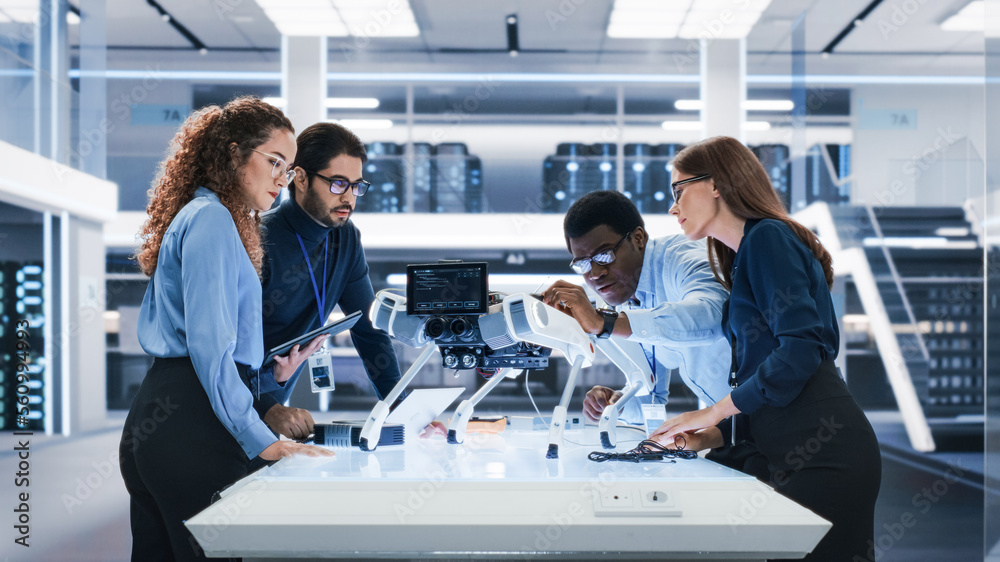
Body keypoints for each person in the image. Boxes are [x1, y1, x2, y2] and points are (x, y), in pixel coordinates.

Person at [119, 97, 334, 562]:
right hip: (192, 424)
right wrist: (262, 439)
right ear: (234, 154)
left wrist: (270, 379)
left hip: (160, 417)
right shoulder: (213, 219)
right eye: (274, 161)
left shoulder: (201, 215)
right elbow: (211, 349)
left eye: (290, 167)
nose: (284, 177)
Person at [651, 136, 881, 561]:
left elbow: (801, 351)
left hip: (824, 452)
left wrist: (715, 409)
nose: (673, 206)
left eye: (678, 189)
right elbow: (772, 385)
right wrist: (709, 436)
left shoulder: (767, 238)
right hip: (795, 447)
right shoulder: (746, 255)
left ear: (716, 183)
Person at [256, 122, 403, 439]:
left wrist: (403, 410)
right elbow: (220, 350)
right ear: (301, 178)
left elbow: (369, 331)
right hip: (232, 404)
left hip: (271, 411)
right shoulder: (257, 239)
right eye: (338, 184)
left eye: (356, 186)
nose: (349, 198)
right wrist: (266, 405)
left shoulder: (346, 238)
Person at [540, 190, 732, 425]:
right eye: (583, 263)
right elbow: (653, 400)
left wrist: (606, 324)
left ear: (638, 238)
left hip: (774, 413)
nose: (596, 274)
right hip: (731, 426)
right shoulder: (627, 298)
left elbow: (714, 315)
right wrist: (617, 404)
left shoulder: (682, 258)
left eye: (604, 255)